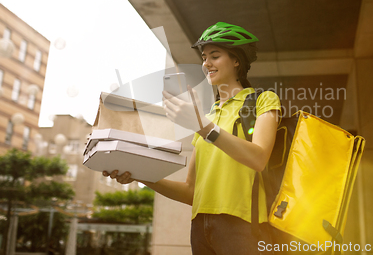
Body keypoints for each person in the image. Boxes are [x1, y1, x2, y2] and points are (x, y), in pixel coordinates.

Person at [104, 22, 281, 255]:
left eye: (215, 56)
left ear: (237, 60)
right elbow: (190, 191)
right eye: (204, 57)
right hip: (200, 226)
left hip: (243, 224)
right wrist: (139, 174)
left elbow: (259, 158)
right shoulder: (206, 117)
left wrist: (202, 126)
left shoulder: (263, 101)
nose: (206, 63)